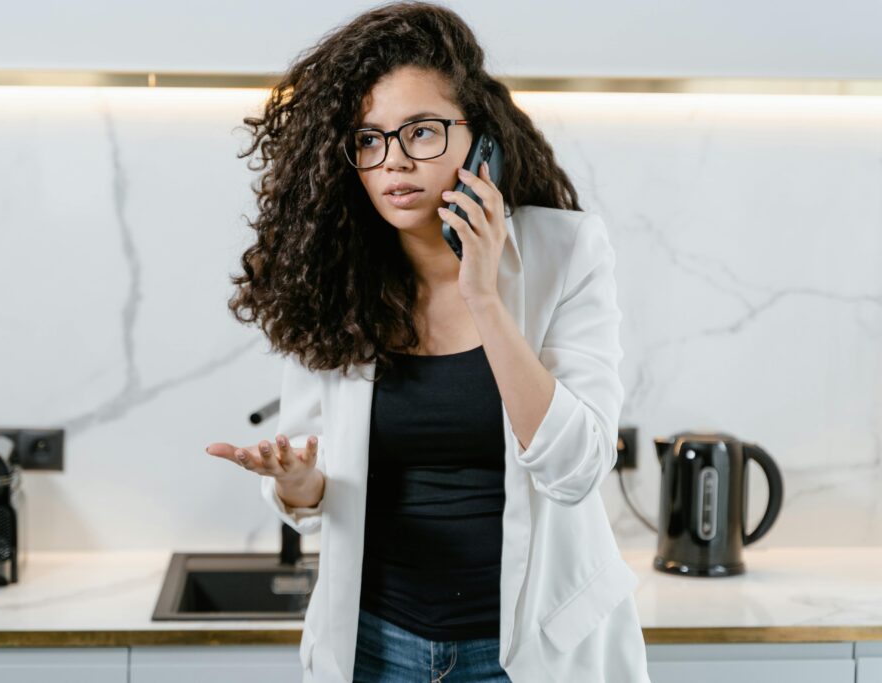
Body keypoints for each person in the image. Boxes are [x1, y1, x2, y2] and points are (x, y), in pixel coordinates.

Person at [206, 2, 651, 681]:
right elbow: (317, 480)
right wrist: (298, 484)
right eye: (370, 139)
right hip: (378, 649)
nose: (394, 162)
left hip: (529, 651)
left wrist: (484, 297)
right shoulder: (331, 275)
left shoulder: (567, 252)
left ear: (482, 140)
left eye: (422, 131)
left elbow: (577, 468)